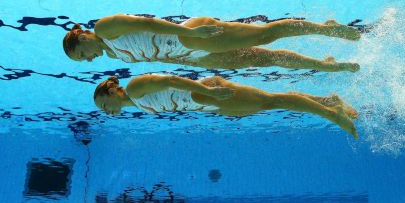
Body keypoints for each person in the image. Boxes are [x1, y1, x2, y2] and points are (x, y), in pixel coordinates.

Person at [63, 14, 360, 72]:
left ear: (82, 39)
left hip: (188, 35)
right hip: (192, 55)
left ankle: (326, 28)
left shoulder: (105, 27)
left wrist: (191, 34)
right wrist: (192, 61)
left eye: (83, 55)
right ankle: (323, 65)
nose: (90, 60)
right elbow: (156, 58)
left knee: (265, 34)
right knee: (261, 59)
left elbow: (148, 23)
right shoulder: (114, 57)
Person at [94, 75, 359, 138]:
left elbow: (173, 80)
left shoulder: (135, 88)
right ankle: (329, 101)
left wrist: (208, 91)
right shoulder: (137, 105)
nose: (106, 111)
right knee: (270, 102)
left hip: (209, 95)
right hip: (210, 107)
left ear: (109, 91)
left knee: (273, 100)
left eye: (103, 105)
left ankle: (330, 113)